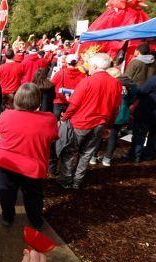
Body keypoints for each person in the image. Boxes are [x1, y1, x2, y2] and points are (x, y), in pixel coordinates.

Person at [0, 83, 58, 230]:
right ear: (38, 100)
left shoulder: (6, 115)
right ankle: (35, 220)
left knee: (7, 191)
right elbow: (54, 136)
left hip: (5, 162)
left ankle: (7, 217)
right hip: (32, 166)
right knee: (33, 195)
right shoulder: (49, 119)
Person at [59, 53, 122, 189]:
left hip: (81, 123)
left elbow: (74, 104)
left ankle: (66, 180)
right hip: (99, 124)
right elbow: (115, 109)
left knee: (70, 152)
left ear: (94, 66)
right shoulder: (116, 83)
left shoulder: (87, 81)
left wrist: (64, 118)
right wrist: (109, 126)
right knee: (86, 154)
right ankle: (77, 181)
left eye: (89, 65)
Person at [92, 68, 138, 166]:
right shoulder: (131, 85)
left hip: (107, 112)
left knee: (99, 135)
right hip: (121, 114)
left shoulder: (109, 84)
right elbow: (132, 99)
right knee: (113, 136)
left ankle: (93, 157)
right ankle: (107, 159)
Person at [124, 75, 156, 162]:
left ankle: (134, 155)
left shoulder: (154, 79)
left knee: (139, 134)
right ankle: (148, 154)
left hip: (147, 112)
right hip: (149, 112)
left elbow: (142, 91)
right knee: (153, 136)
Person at [51, 54, 86, 120]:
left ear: (66, 62)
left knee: (55, 123)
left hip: (59, 101)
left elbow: (52, 85)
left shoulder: (59, 73)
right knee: (69, 125)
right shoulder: (82, 76)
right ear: (76, 63)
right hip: (73, 103)